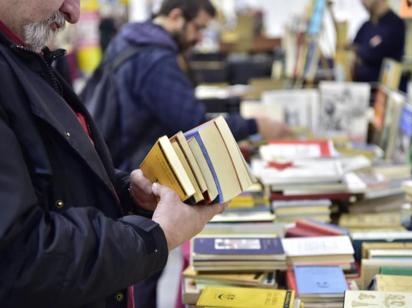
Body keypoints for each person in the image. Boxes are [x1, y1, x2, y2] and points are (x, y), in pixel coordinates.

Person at [0, 1, 225, 307]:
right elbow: (21, 257)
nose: (73, 13)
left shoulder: (23, 56)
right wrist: (154, 237)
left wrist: (125, 192)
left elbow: (50, 178)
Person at [94, 0, 291, 172]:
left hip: (118, 161)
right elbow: (194, 126)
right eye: (198, 28)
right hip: (136, 171)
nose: (199, 38)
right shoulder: (155, 60)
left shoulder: (130, 40)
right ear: (176, 16)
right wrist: (254, 125)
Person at [352, 0, 405, 83]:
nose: (362, 2)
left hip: (383, 89)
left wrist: (361, 52)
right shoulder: (366, 26)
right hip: (361, 88)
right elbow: (353, 49)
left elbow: (373, 54)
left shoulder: (394, 24)